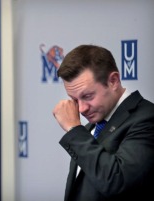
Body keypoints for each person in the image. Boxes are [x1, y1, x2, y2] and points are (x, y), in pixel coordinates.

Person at [52, 44, 154, 201]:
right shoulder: (89, 128)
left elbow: (117, 181)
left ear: (113, 81)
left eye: (88, 96)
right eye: (74, 100)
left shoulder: (147, 118)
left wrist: (73, 129)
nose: (81, 109)